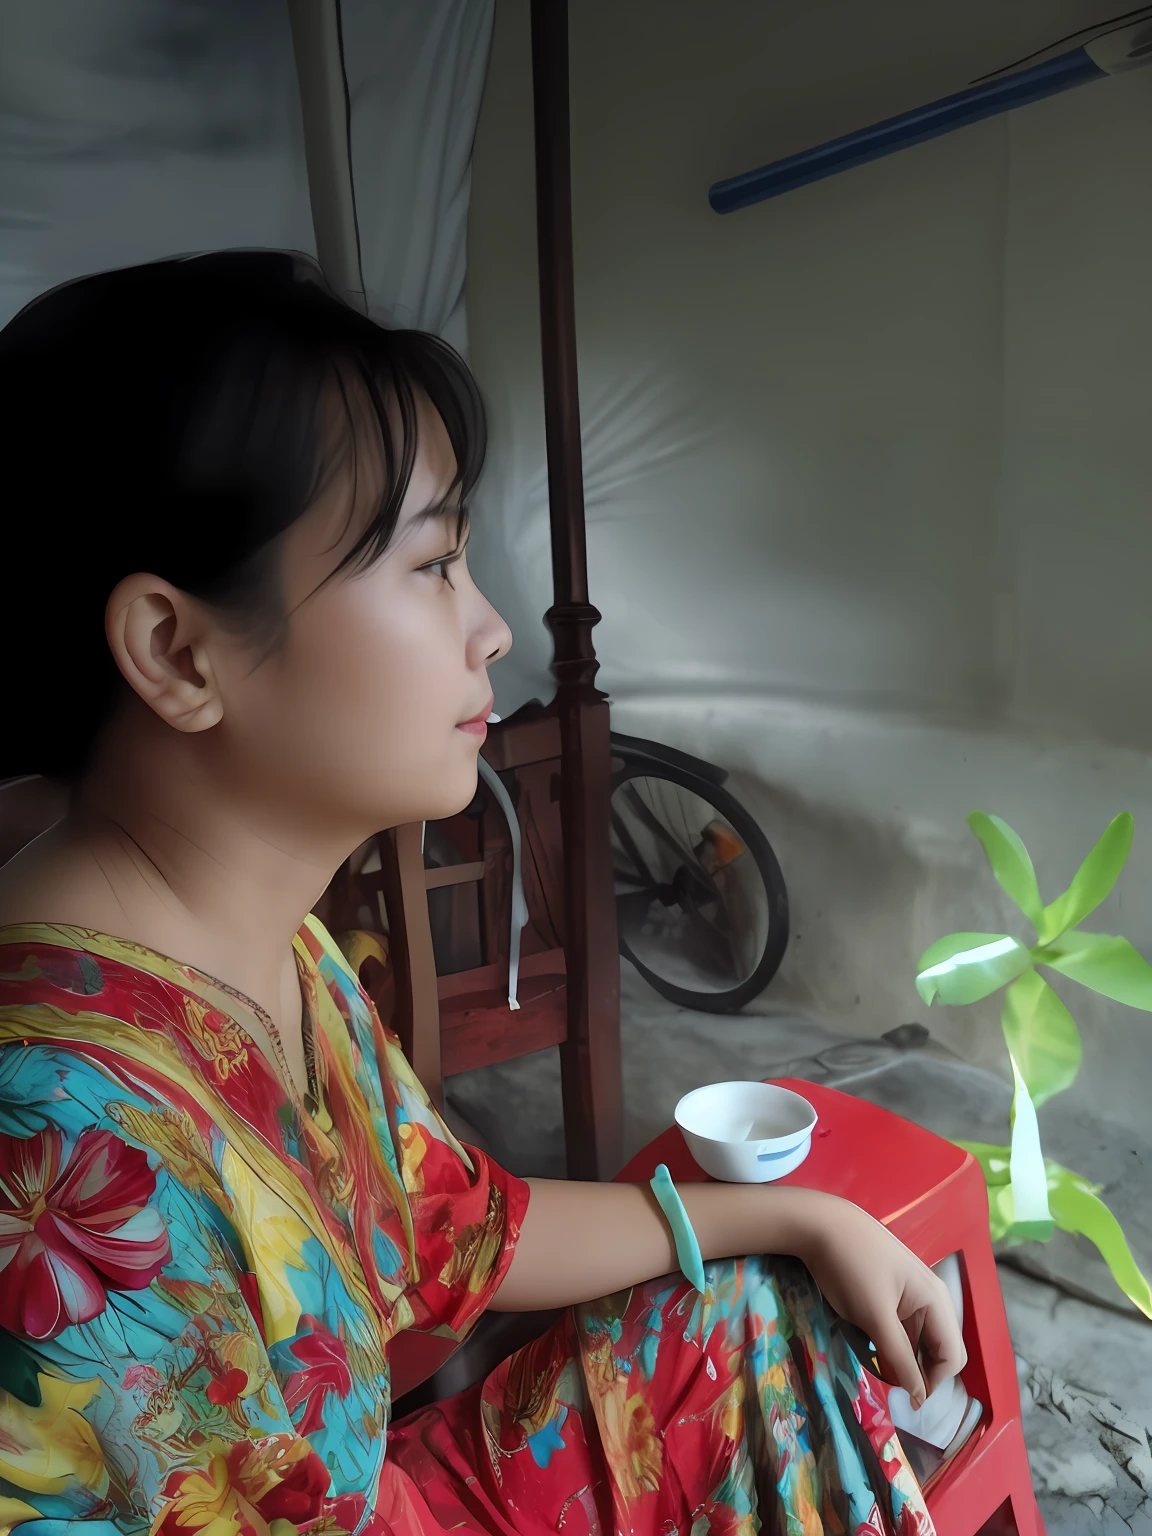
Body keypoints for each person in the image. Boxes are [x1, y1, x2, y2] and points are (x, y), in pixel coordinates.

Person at [0, 252, 964, 1536]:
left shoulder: (266, 940)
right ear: (179, 651)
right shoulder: (68, 1151)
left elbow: (461, 1225)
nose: (493, 627)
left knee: (759, 1306)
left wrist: (796, 1214)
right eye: (433, 565)